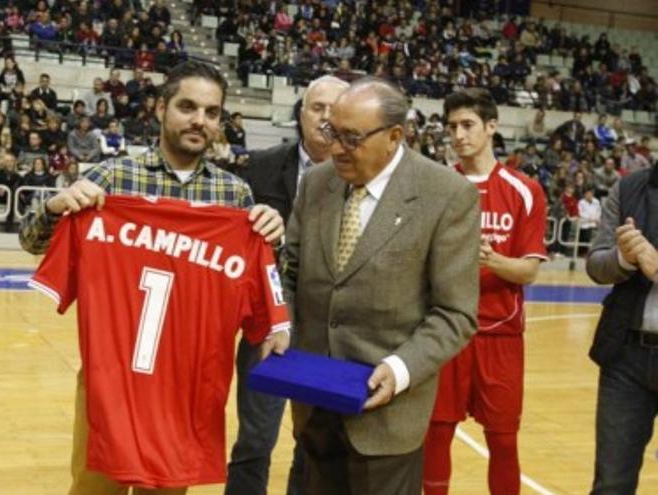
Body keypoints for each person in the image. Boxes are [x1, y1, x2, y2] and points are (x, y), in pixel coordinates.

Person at [18, 61, 287, 495]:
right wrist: (57, 206)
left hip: (184, 385)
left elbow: (267, 279)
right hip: (112, 376)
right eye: (187, 106)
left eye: (212, 112)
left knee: (164, 490)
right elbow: (31, 240)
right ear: (161, 108)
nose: (200, 120)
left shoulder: (235, 196)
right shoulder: (112, 178)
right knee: (93, 487)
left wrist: (275, 236)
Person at [282, 77, 480, 495]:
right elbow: (292, 274)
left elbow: (456, 313)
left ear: (394, 136)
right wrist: (279, 325)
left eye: (351, 138)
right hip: (315, 403)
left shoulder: (446, 195)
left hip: (387, 413)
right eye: (332, 133)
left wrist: (400, 368)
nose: (336, 148)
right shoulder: (317, 183)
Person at [226, 75, 349, 495]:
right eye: (318, 108)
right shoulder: (259, 167)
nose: (327, 117)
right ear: (301, 113)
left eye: (336, 109)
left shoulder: (358, 173)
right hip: (265, 323)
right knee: (255, 440)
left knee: (311, 442)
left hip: (324, 330)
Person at [423, 88, 548, 495]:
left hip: (500, 334)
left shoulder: (525, 189)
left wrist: (488, 259)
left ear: (491, 127)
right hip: (444, 331)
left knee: (503, 440)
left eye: (467, 125)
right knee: (436, 435)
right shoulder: (436, 186)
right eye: (452, 127)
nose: (458, 135)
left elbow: (528, 271)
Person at [586, 163, 658, 495]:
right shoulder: (629, 188)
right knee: (611, 484)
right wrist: (625, 258)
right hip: (626, 358)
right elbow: (596, 265)